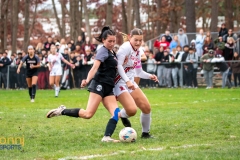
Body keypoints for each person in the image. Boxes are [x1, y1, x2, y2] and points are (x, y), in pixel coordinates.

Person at [46, 26, 122, 142]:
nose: (112, 43)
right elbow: (94, 67)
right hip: (99, 85)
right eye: (109, 41)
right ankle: (62, 111)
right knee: (88, 114)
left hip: (108, 87)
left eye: (114, 41)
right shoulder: (102, 51)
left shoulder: (111, 51)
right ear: (103, 40)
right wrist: (87, 80)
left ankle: (107, 137)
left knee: (116, 113)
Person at [114, 28, 158, 138]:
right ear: (130, 37)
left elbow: (138, 71)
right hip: (119, 83)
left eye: (140, 40)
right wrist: (127, 81)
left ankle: (145, 133)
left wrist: (150, 76)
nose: (138, 43)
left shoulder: (138, 51)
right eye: (136, 40)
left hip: (131, 83)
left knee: (146, 108)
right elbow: (118, 66)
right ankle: (121, 115)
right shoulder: (125, 48)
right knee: (132, 111)